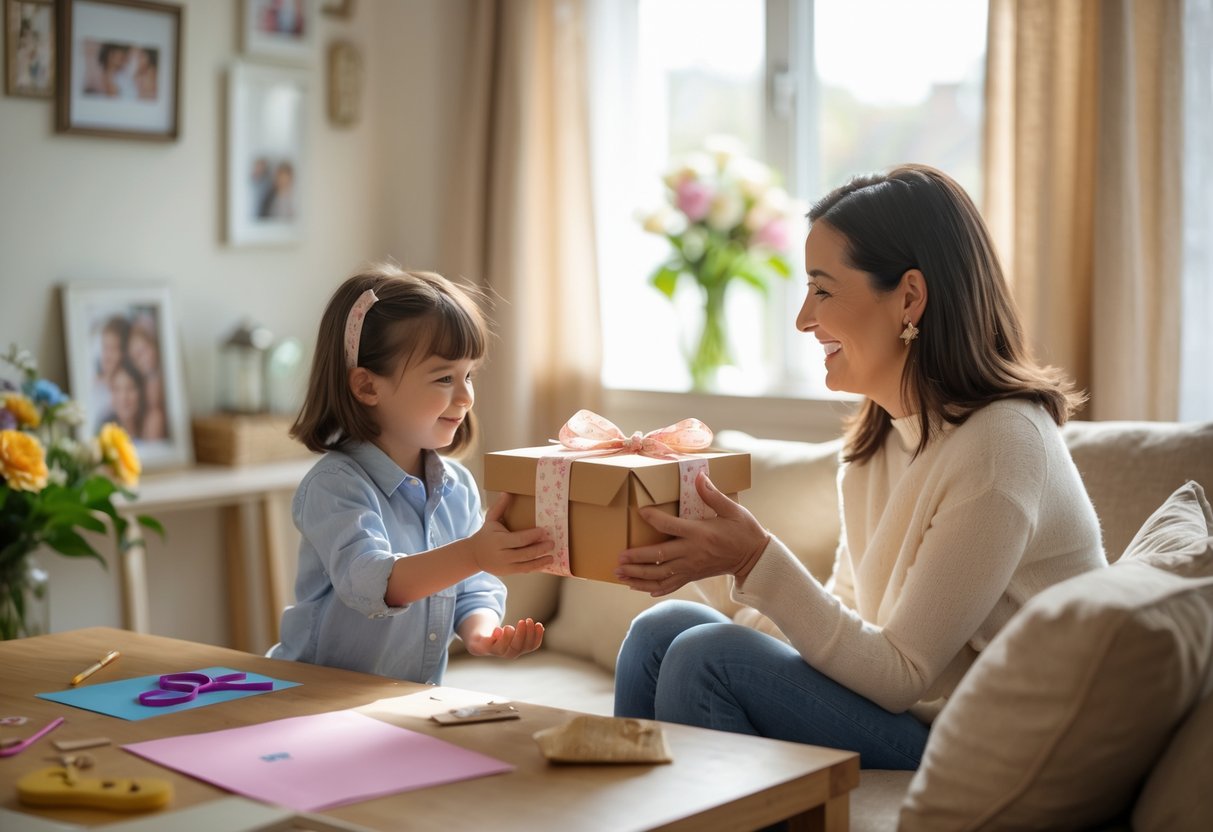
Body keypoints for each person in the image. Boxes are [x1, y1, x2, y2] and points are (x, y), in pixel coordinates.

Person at [612, 164, 1107, 769]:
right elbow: (847, 626)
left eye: (822, 290)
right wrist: (715, 562)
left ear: (909, 297)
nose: (802, 318)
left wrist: (753, 558)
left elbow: (904, 674)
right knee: (662, 631)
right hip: (912, 717)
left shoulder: (1002, 446)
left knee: (707, 656)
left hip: (1000, 749)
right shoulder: (879, 443)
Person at [268, 265, 555, 683]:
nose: (465, 396)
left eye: (469, 375)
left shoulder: (457, 487)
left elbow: (472, 586)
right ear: (367, 387)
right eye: (444, 377)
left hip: (404, 701)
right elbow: (370, 581)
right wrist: (474, 552)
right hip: (310, 696)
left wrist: (483, 633)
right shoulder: (335, 485)